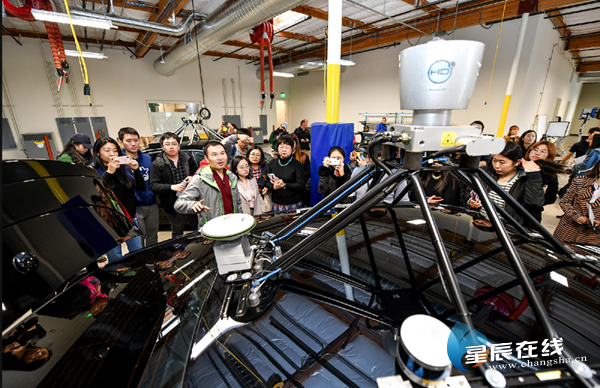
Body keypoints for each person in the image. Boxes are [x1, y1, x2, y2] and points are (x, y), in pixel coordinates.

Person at [93, 137, 145, 261]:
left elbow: (141, 188)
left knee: (139, 255)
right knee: (115, 258)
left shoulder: (124, 169)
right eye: (107, 150)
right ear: (98, 153)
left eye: (115, 150)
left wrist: (136, 170)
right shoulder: (93, 171)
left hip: (130, 220)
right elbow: (97, 193)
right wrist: (109, 172)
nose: (112, 154)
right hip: (109, 224)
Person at [468, 142, 544, 226]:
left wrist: (533, 175)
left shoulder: (524, 180)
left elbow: (535, 202)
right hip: (480, 223)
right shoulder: (486, 173)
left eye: (502, 162)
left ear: (517, 162)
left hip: (505, 229)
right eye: (494, 160)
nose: (496, 165)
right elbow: (469, 190)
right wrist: (470, 201)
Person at [174, 141, 243, 226]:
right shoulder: (200, 179)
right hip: (212, 230)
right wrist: (193, 204)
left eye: (222, 153)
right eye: (214, 154)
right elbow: (179, 204)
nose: (220, 158)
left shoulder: (232, 177)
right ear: (206, 158)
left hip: (234, 226)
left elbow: (238, 203)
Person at [149, 132, 199, 238]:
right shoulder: (158, 163)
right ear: (162, 146)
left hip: (190, 199)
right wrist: (172, 187)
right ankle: (178, 251)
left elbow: (197, 174)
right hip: (171, 202)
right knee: (177, 229)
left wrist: (192, 178)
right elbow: (153, 185)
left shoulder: (187, 158)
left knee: (197, 227)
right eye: (167, 144)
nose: (171, 147)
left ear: (179, 145)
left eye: (174, 143)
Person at [118, 127, 158, 247]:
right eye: (128, 141)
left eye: (135, 140)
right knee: (138, 239)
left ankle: (153, 261)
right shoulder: (120, 162)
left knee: (153, 236)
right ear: (121, 142)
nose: (133, 144)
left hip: (151, 203)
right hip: (134, 207)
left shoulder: (147, 158)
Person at [553, 160, 600, 247]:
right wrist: (576, 215)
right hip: (568, 230)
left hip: (592, 237)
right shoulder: (580, 181)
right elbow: (565, 202)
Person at [524, 141, 566, 221]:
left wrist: (538, 199)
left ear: (549, 155)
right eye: (535, 149)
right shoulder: (518, 166)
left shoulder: (549, 173)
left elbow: (551, 197)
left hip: (530, 213)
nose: (537, 153)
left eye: (543, 151)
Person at [265, 135, 306, 212]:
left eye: (287, 147)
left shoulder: (297, 165)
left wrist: (284, 185)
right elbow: (267, 182)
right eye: (281, 147)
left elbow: (301, 185)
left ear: (292, 149)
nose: (284, 150)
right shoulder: (272, 163)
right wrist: (274, 187)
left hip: (293, 203)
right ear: (277, 148)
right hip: (277, 203)